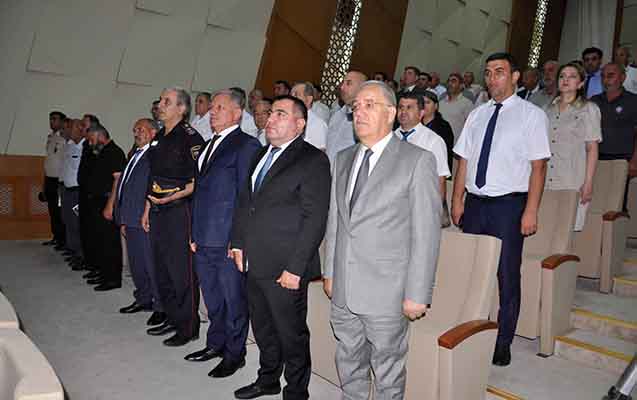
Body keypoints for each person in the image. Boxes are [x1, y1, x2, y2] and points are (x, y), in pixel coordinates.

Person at [323, 80, 441, 399]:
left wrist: (418, 293)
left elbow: (426, 234)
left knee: (388, 371)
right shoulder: (343, 158)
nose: (359, 112)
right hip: (344, 287)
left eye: (369, 105)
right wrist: (330, 271)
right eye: (355, 107)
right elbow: (336, 222)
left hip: (387, 290)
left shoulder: (417, 160)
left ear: (390, 113)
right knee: (349, 360)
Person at [451, 52, 551, 366]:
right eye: (488, 72)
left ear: (515, 76)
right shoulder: (477, 114)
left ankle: (503, 340)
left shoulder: (532, 115)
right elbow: (464, 161)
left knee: (506, 273)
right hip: (475, 203)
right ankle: (467, 332)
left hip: (509, 205)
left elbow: (538, 167)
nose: (492, 78)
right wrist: (457, 200)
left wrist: (531, 210)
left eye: (499, 72)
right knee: (471, 269)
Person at [230, 95, 331, 400]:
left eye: (280, 114)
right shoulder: (261, 154)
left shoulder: (312, 159)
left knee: (291, 333)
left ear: (300, 124)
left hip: (286, 266)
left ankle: (297, 391)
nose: (270, 119)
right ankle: (267, 379)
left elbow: (315, 219)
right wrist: (237, 243)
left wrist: (295, 269)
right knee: (262, 328)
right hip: (254, 261)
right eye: (271, 113)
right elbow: (245, 203)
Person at [185, 90, 261, 378]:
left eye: (220, 108)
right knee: (212, 297)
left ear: (237, 113)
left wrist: (238, 238)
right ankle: (215, 344)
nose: (212, 112)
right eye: (212, 108)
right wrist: (194, 232)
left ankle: (234, 353)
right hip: (203, 235)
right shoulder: (208, 145)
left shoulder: (246, 145)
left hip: (227, 238)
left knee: (233, 300)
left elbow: (246, 195)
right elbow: (199, 193)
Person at [141, 87, 205, 346]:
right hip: (157, 210)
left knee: (181, 271)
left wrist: (171, 198)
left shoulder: (191, 138)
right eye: (160, 100)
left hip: (179, 210)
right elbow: (153, 177)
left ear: (182, 108)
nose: (161, 104)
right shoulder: (159, 137)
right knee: (162, 268)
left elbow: (197, 180)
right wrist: (147, 208)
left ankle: (188, 327)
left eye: (167, 101)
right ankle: (171, 317)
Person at [111, 119, 166, 326]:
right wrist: (122, 217)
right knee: (137, 264)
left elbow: (154, 188)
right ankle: (143, 298)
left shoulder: (155, 155)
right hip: (130, 216)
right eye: (134, 130)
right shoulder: (135, 154)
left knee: (151, 265)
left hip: (144, 219)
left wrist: (146, 213)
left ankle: (160, 306)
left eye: (140, 129)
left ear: (153, 132)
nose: (136, 133)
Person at [545, 62, 601, 230]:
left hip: (571, 177)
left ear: (581, 83)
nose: (566, 80)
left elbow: (592, 148)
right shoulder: (546, 109)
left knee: (565, 228)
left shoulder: (589, 109)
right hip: (546, 177)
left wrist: (588, 182)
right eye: (562, 76)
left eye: (572, 76)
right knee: (545, 228)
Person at [82, 123, 127, 291]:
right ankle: (103, 273)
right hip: (96, 200)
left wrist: (110, 205)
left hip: (107, 201)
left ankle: (112, 279)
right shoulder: (102, 151)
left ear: (100, 136)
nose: (90, 143)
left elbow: (118, 180)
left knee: (109, 242)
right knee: (99, 240)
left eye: (91, 140)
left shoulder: (114, 152)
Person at [395, 92, 451, 226]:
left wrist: (434, 213)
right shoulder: (391, 137)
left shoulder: (433, 141)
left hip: (420, 207)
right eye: (401, 107)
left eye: (409, 108)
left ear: (421, 113)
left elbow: (440, 180)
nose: (403, 112)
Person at [591, 63, 637, 209]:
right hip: (596, 159)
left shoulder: (633, 101)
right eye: (603, 76)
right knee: (595, 203)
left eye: (611, 76)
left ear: (623, 77)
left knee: (616, 205)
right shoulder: (594, 101)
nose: (606, 80)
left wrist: (635, 161)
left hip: (622, 160)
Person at [326, 70, 367, 163]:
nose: (342, 87)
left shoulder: (365, 121)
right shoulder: (336, 115)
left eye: (348, 83)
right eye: (343, 83)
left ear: (362, 89)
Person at [60, 119, 85, 270]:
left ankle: (82, 255)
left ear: (80, 129)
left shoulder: (85, 147)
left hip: (77, 192)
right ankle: (74, 251)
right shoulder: (69, 145)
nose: (68, 130)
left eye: (71, 127)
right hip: (67, 189)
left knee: (78, 224)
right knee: (68, 221)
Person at [43, 111, 67, 250]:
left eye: (54, 119)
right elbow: (49, 160)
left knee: (59, 211)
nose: (51, 122)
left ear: (62, 121)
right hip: (49, 178)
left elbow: (65, 161)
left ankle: (63, 240)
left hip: (59, 179)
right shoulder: (50, 137)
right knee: (52, 210)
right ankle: (56, 237)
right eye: (50, 119)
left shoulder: (64, 138)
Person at [421, 91, 455, 174]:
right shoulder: (415, 124)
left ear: (436, 106)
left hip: (435, 170)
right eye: (422, 103)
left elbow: (447, 154)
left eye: (428, 102)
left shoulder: (444, 127)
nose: (424, 105)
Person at [291, 81, 328, 150]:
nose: (291, 99)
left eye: (296, 95)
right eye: (291, 95)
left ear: (308, 100)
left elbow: (319, 154)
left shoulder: (318, 124)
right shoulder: (286, 120)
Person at [439, 72, 474, 143]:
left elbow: (471, 126)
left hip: (456, 143)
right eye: (448, 81)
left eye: (453, 81)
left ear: (461, 86)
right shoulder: (441, 102)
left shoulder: (467, 103)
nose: (450, 83)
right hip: (440, 143)